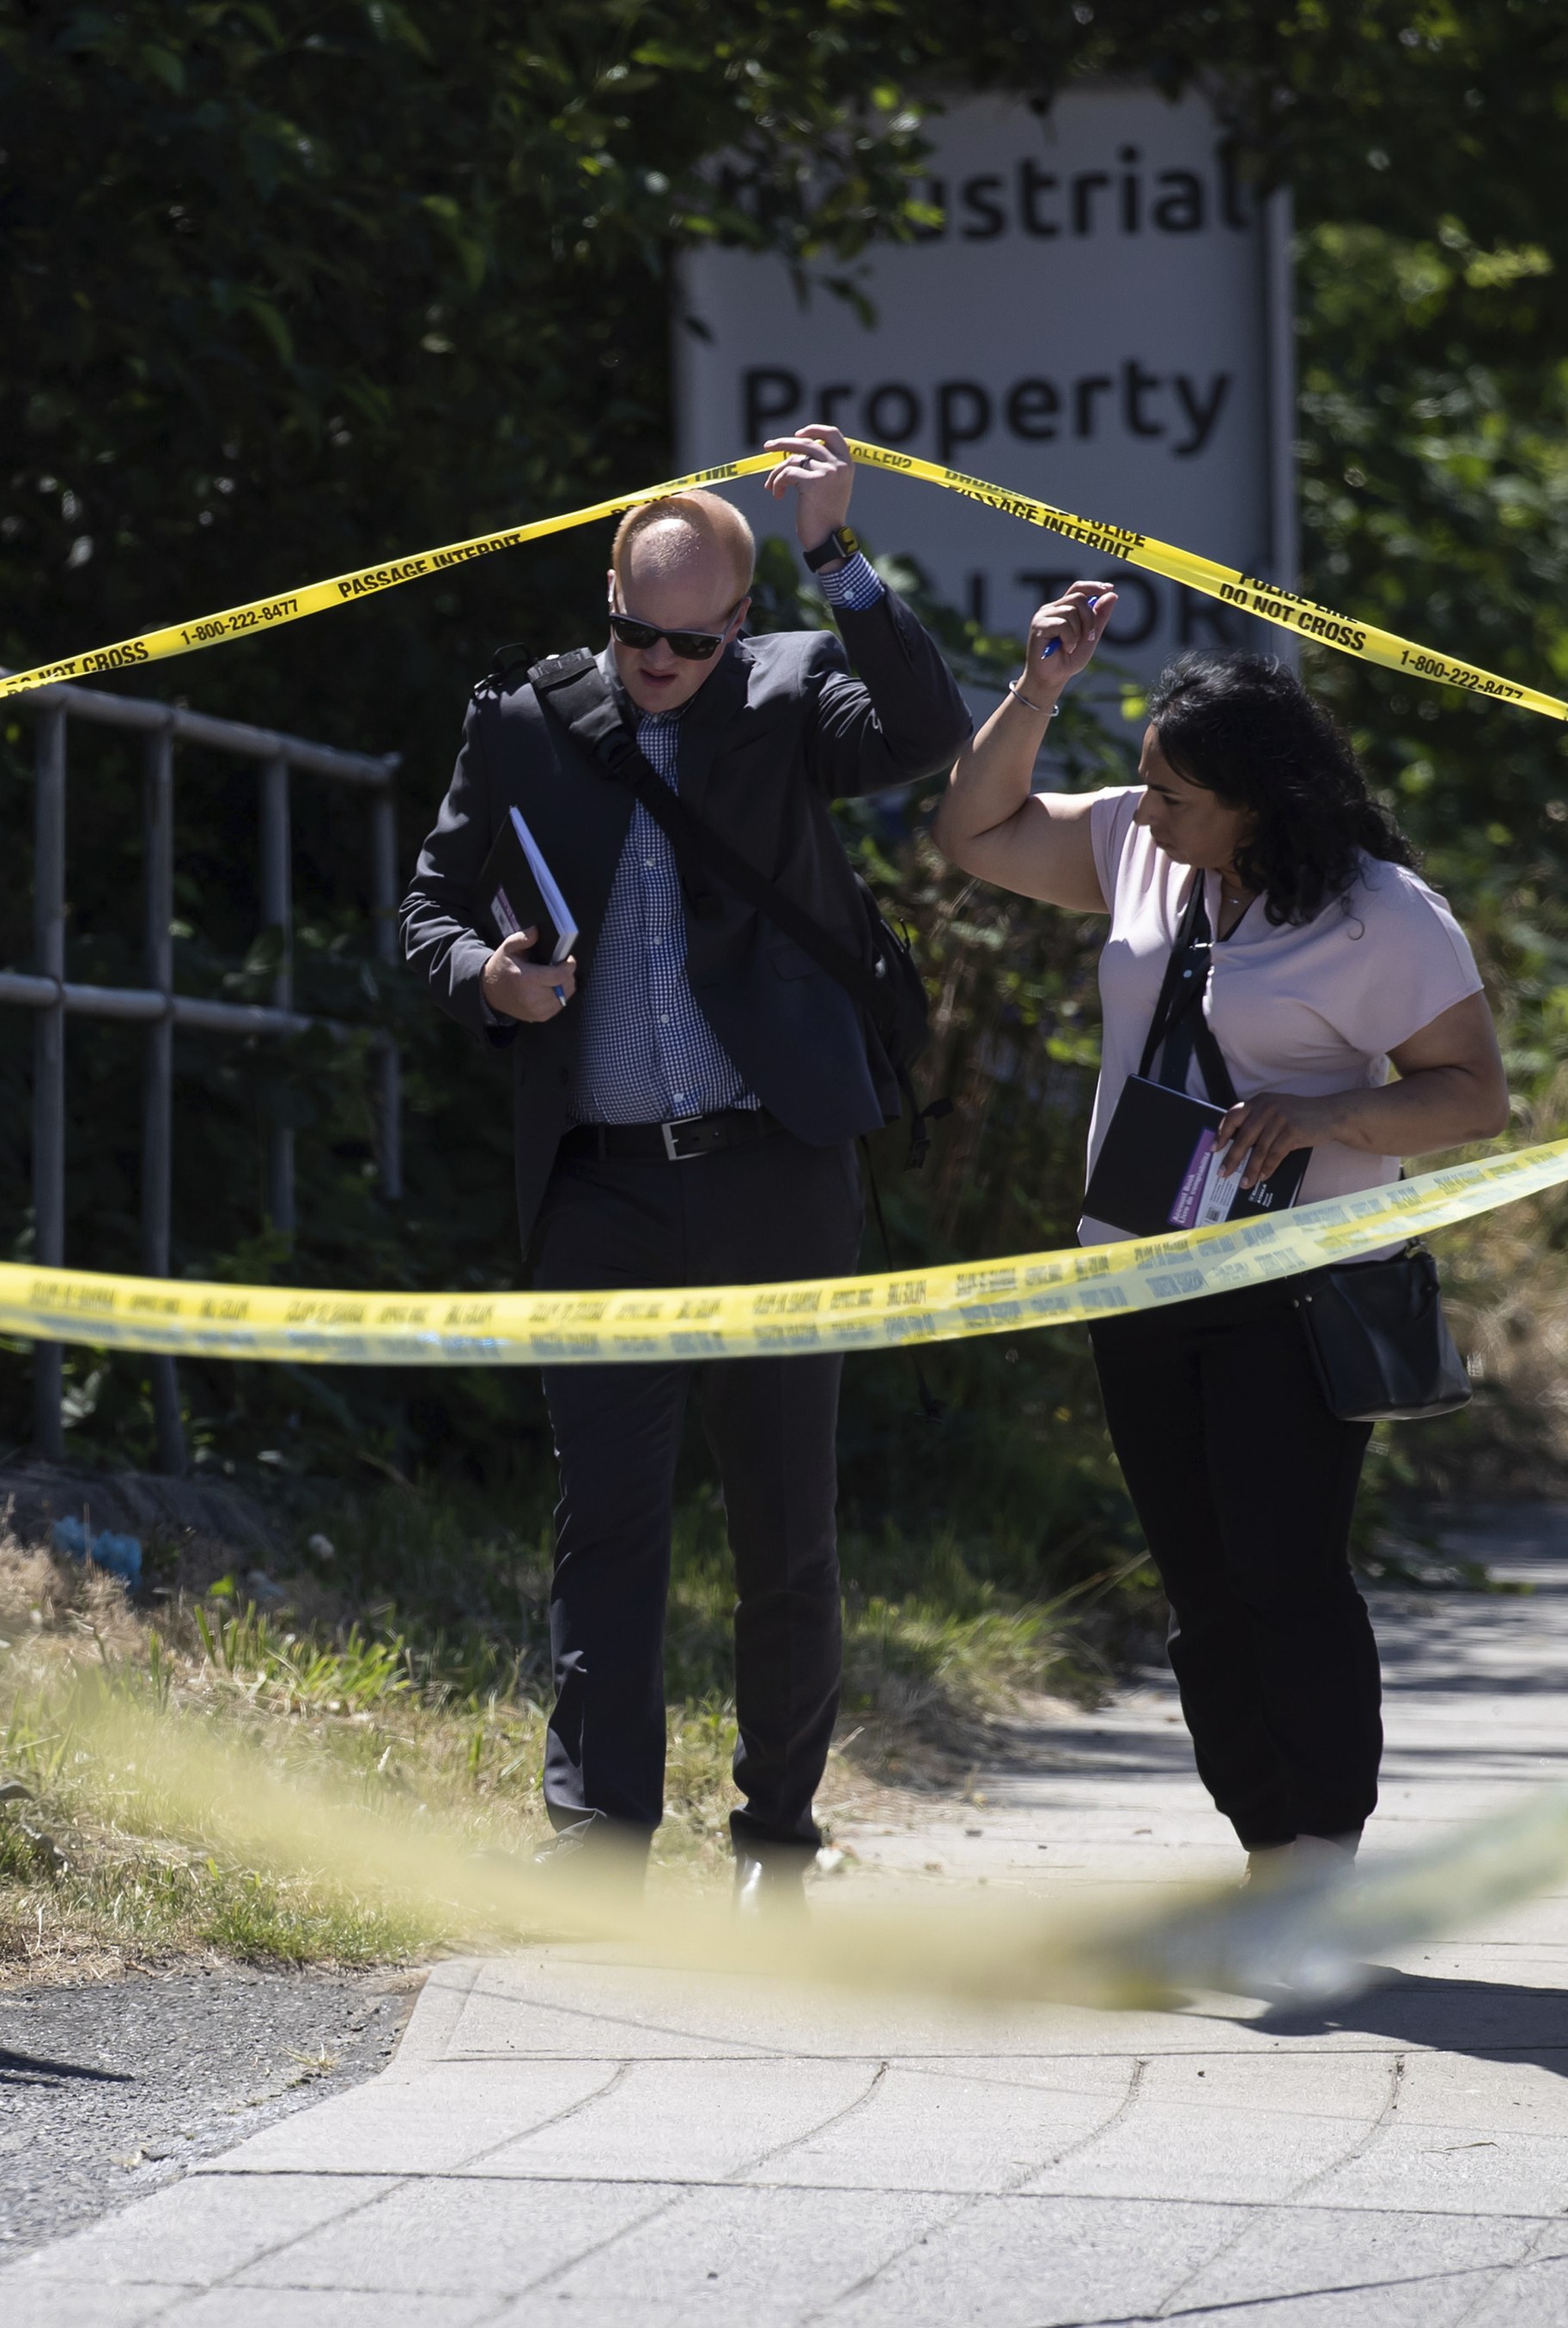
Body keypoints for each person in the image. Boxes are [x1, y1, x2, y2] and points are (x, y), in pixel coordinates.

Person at [399, 425, 969, 1903]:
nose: (655, 663)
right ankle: (598, 1844)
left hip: (774, 1168)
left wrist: (836, 553)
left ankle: (777, 1837)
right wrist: (488, 981)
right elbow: (428, 910)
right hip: (601, 1184)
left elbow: (922, 731)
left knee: (785, 1524)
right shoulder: (525, 720)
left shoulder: (789, 696)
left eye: (688, 642)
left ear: (737, 622)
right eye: (632, 634)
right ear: (608, 603)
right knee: (607, 1523)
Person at [929, 587, 1507, 1879]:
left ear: (1264, 800)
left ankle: (1324, 1854)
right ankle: (1263, 1846)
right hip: (1142, 1269)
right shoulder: (1141, 846)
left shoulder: (1382, 912)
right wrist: (1037, 690)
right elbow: (971, 832)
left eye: (1179, 795)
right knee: (1196, 1589)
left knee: (1282, 1570)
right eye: (1145, 785)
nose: (1149, 811)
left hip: (1301, 1283)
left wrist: (1327, 1112)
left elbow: (1475, 1092)